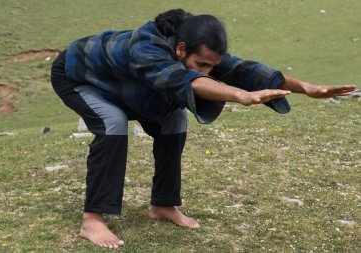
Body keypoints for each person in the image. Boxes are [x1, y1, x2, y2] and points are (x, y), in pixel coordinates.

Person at [50, 9, 356, 249]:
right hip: (77, 75)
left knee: (174, 119)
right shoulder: (146, 48)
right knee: (113, 123)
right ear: (181, 49)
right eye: (203, 64)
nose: (209, 70)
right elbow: (185, 81)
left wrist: (306, 87)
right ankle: (92, 218)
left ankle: (163, 205)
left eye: (213, 65)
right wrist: (240, 95)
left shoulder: (197, 51)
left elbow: (244, 71)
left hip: (124, 83)